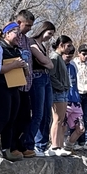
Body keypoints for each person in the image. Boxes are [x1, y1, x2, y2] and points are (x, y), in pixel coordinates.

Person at [0, 22, 31, 160]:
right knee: (3, 118)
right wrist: (14, 64)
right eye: (16, 33)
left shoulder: (17, 50)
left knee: (12, 120)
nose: (19, 36)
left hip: (14, 87)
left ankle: (7, 149)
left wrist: (24, 66)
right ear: (7, 33)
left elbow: (27, 74)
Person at [23, 19, 55, 155]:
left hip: (46, 78)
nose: (50, 36)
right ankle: (30, 143)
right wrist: (46, 62)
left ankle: (41, 145)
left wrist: (46, 62)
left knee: (47, 113)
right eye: (49, 33)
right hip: (36, 78)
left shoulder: (43, 45)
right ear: (42, 30)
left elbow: (49, 64)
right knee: (38, 113)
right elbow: (43, 60)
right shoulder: (31, 42)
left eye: (52, 34)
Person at [11, 10, 37, 157]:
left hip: (26, 85)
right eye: (28, 25)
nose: (29, 28)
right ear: (19, 22)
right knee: (13, 118)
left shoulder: (27, 40)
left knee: (25, 118)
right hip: (13, 85)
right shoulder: (11, 37)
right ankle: (10, 146)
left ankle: (21, 146)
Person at [47, 35, 75, 156]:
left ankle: (58, 145)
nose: (70, 48)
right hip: (58, 92)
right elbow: (51, 75)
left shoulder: (59, 58)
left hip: (63, 92)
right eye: (68, 45)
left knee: (60, 121)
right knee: (57, 120)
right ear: (61, 45)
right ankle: (54, 146)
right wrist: (61, 87)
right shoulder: (54, 57)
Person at [64, 46, 85, 149]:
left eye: (71, 54)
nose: (68, 56)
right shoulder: (57, 65)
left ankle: (69, 146)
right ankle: (58, 146)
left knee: (80, 128)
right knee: (62, 126)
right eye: (66, 54)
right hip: (64, 101)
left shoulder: (73, 67)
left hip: (76, 101)